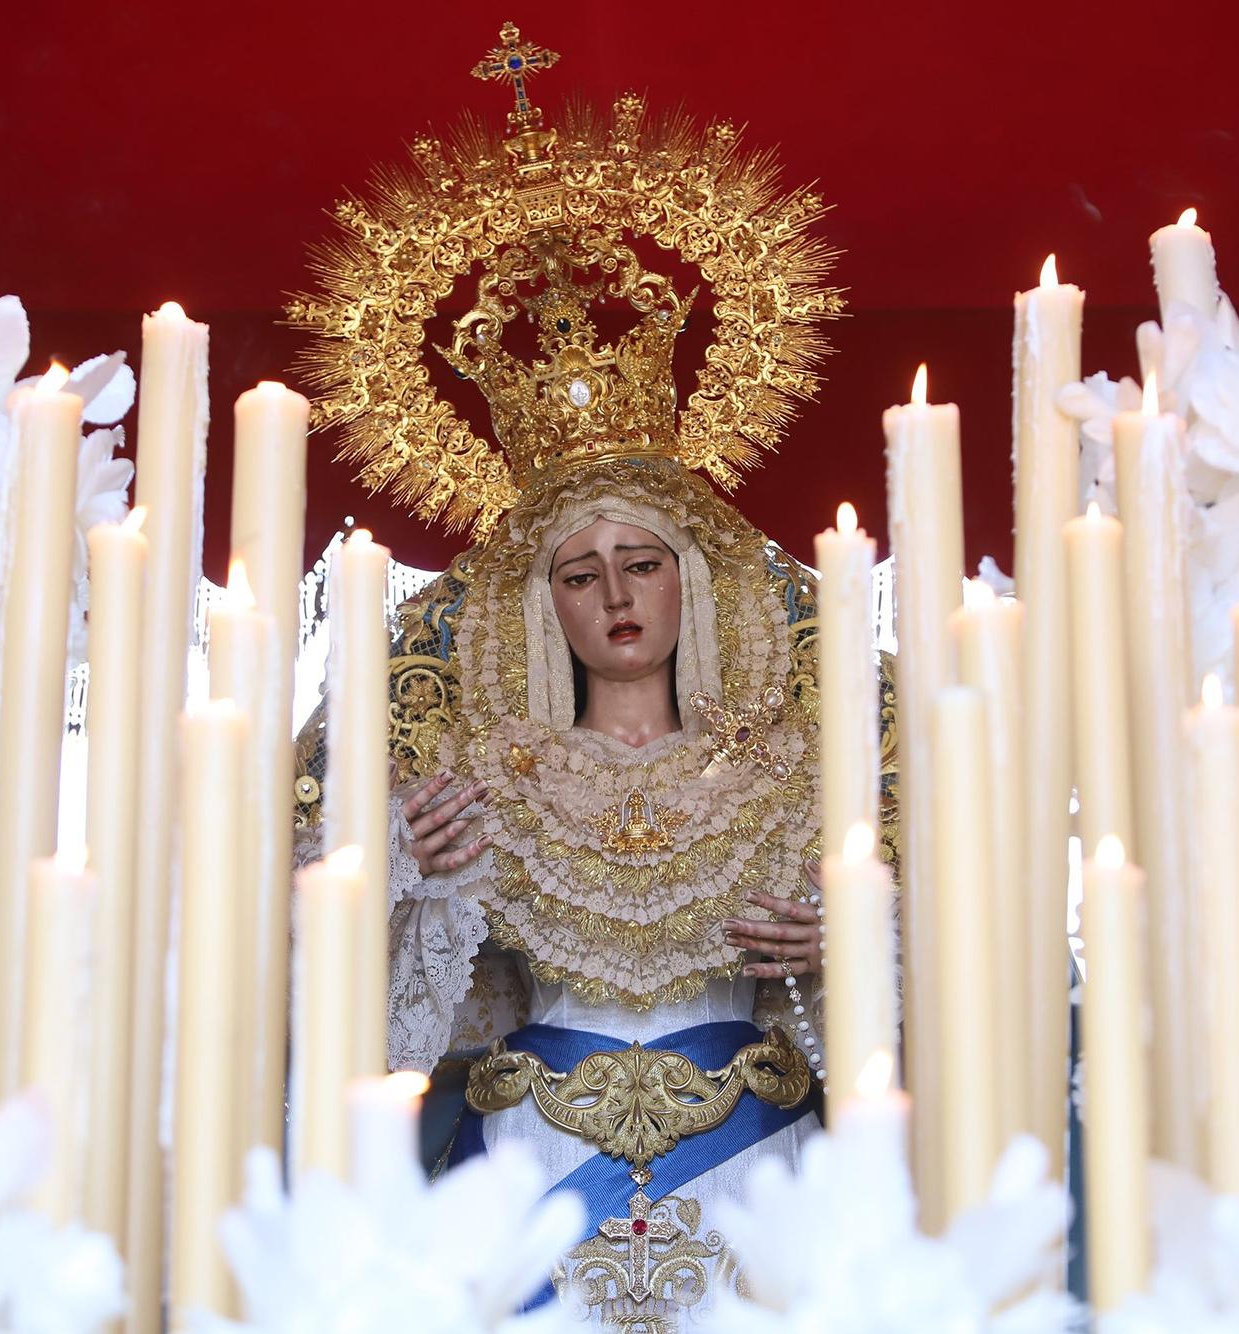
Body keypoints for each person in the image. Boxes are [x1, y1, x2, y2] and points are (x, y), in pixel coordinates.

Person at [286, 30, 892, 1325]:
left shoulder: (789, 769)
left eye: (641, 562)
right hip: (536, 1174)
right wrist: (401, 867)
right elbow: (401, 1026)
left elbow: (949, 984)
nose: (615, 596)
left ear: (695, 580)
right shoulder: (482, 781)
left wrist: (853, 947)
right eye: (578, 573)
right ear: (541, 606)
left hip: (755, 1169)